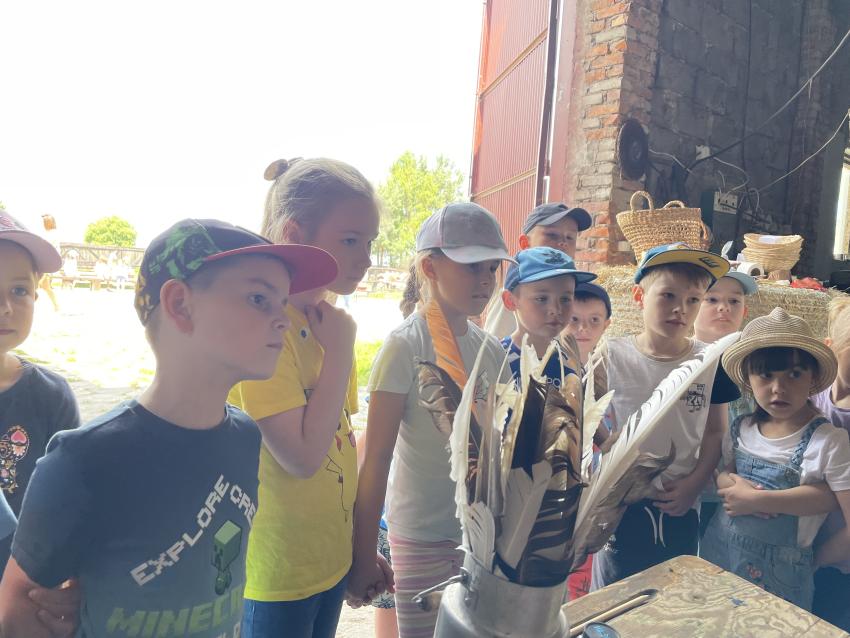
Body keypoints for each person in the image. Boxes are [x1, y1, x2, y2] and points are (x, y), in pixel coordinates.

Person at [0, 218, 337, 638]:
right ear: (180, 305)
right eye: (258, 299)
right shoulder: (84, 460)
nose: (283, 319)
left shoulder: (247, 436)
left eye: (282, 302)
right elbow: (19, 610)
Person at [228, 158, 385, 638]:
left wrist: (358, 548)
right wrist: (340, 353)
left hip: (327, 558)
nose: (366, 259)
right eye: (351, 241)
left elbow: (340, 440)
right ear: (295, 234)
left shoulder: (327, 319)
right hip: (278, 573)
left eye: (370, 243)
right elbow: (300, 457)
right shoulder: (263, 327)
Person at [349, 202, 514, 638]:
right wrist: (362, 553)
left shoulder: (491, 351)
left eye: (492, 267)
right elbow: (377, 458)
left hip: (480, 534)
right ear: (429, 267)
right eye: (472, 266)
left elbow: (500, 447)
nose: (486, 279)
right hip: (420, 534)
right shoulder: (405, 346)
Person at [590, 243, 740, 590]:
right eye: (668, 295)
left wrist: (694, 485)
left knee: (671, 593)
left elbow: (715, 432)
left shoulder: (710, 361)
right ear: (639, 296)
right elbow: (587, 414)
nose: (680, 309)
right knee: (615, 593)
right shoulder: (611, 354)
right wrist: (612, 453)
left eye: (693, 300)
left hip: (678, 502)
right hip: (621, 503)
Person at [700, 307, 850, 610]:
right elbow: (725, 474)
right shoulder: (741, 428)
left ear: (813, 377)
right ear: (748, 379)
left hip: (783, 582)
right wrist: (727, 482)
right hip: (719, 561)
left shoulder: (828, 442)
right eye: (766, 375)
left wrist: (814, 560)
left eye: (794, 374)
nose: (779, 389)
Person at [0, 213, 80, 533]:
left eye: (19, 290)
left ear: (36, 295)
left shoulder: (52, 396)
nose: (5, 306)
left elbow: (68, 492)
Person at [693, 270, 758, 538]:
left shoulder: (753, 364)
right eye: (711, 299)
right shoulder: (682, 360)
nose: (724, 308)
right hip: (690, 484)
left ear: (744, 310)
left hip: (744, 486)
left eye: (734, 301)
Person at [484, 203, 591, 339]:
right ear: (525, 243)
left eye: (570, 237)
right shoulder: (517, 293)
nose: (563, 242)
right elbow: (494, 346)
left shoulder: (573, 291)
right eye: (552, 235)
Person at [810, 298, 850, 628]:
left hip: (838, 560)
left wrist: (814, 560)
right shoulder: (811, 400)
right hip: (807, 545)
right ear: (830, 348)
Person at [499, 246, 595, 381]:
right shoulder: (496, 359)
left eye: (565, 299)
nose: (556, 309)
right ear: (510, 301)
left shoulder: (571, 364)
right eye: (542, 299)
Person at [565, 282, 612, 369]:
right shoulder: (541, 369)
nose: (583, 328)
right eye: (574, 319)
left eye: (594, 319)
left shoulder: (612, 370)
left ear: (605, 326)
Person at [36, 215, 59, 312]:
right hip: (43, 261)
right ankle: (56, 305)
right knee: (46, 287)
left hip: (46, 262)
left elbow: (50, 248)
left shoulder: (53, 234)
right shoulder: (47, 233)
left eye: (45, 222)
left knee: (38, 283)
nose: (44, 224)